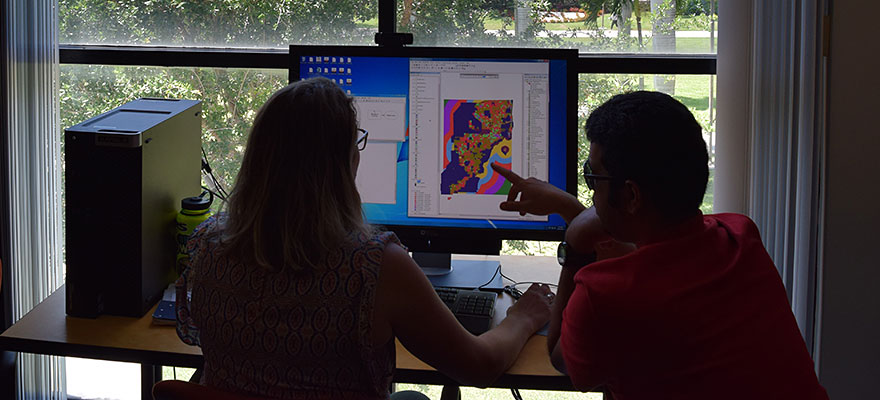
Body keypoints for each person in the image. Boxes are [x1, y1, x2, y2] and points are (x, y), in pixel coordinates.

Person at [173, 76, 552, 399]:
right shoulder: (373, 267)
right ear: (343, 162)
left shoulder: (206, 245)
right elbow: (479, 366)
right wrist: (522, 317)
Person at [491, 91, 829, 399]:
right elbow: (654, 263)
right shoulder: (740, 234)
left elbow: (562, 359)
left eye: (593, 178)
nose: (592, 191)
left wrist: (576, 245)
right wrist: (572, 209)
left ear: (631, 195)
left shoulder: (604, 297)